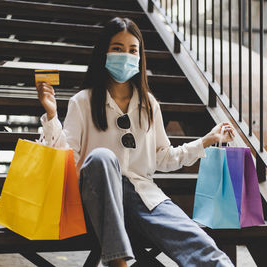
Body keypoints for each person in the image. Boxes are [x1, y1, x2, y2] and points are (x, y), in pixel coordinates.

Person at [36, 17, 235, 267]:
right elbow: (67, 161)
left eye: (132, 50)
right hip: (97, 199)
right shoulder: (82, 102)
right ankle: (118, 262)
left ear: (140, 57)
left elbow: (163, 157)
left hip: (144, 196)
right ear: (104, 53)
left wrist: (206, 141)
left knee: (204, 248)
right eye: (117, 49)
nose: (126, 56)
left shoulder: (149, 104)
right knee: (102, 158)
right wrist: (52, 117)